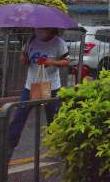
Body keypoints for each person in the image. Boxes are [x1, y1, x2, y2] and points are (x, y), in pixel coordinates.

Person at [8, 28, 69, 161]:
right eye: (36, 28)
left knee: (52, 120)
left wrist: (51, 62)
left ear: (49, 28)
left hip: (50, 86)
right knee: (19, 118)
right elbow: (24, 56)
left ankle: (56, 151)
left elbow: (66, 62)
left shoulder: (58, 42)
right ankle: (7, 151)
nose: (38, 30)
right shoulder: (31, 40)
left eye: (41, 28)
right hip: (31, 86)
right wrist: (23, 58)